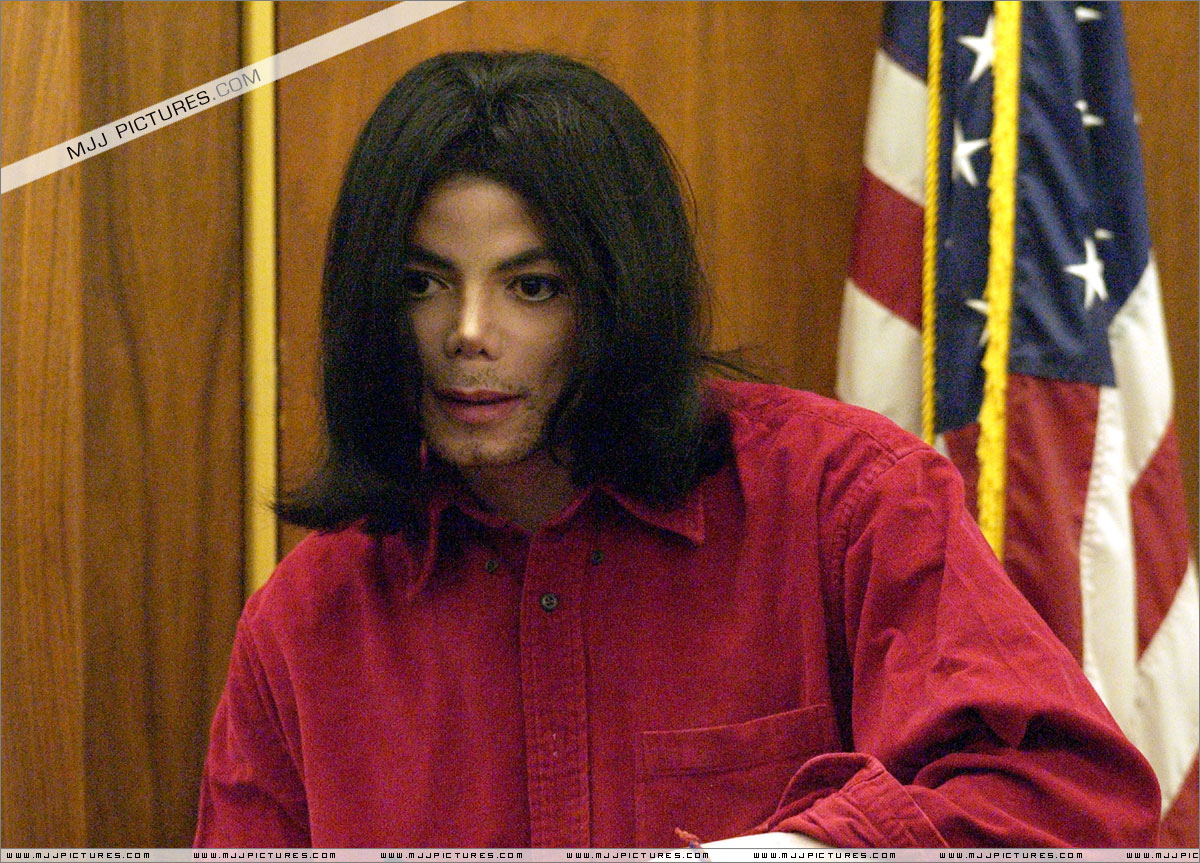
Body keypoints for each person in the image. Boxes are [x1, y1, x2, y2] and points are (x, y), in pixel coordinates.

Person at [194, 51, 1159, 849]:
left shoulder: (846, 500)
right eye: (422, 283)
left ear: (621, 295)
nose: (468, 332)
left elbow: (1069, 805)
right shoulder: (308, 620)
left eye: (532, 286)